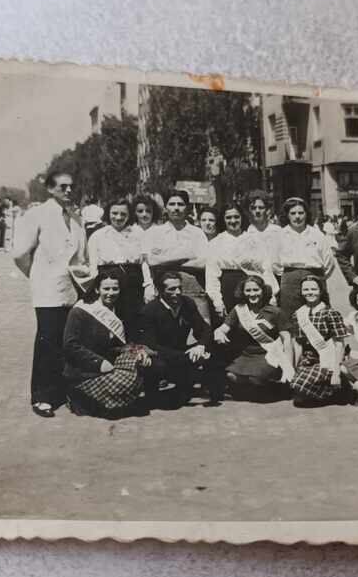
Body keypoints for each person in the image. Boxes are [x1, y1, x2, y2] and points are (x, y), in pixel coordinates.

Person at [12, 172, 89, 418]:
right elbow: (20, 254)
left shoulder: (77, 217)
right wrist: (37, 276)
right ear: (50, 188)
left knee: (69, 340)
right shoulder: (37, 215)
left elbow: (82, 255)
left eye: (71, 186)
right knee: (48, 340)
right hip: (47, 288)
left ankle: (64, 392)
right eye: (63, 187)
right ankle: (42, 397)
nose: (68, 191)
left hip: (74, 289)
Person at [62, 271, 155, 418]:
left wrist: (138, 351)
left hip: (109, 363)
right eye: (106, 289)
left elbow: (122, 344)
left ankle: (106, 401)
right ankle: (80, 397)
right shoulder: (80, 311)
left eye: (115, 289)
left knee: (142, 362)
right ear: (97, 289)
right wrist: (99, 362)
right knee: (123, 385)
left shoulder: (118, 310)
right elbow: (70, 346)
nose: (110, 293)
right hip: (84, 370)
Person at [138, 271, 224, 407]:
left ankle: (213, 391)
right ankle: (152, 395)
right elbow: (151, 345)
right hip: (161, 355)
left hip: (181, 352)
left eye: (179, 288)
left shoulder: (187, 303)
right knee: (156, 366)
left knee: (212, 346)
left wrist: (200, 346)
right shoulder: (149, 310)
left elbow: (204, 329)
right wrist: (186, 356)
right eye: (172, 289)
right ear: (160, 291)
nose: (177, 292)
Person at [212, 275, 287, 399]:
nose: (252, 294)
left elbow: (287, 338)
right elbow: (224, 328)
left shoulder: (275, 311)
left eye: (256, 290)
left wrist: (287, 362)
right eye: (248, 290)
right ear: (243, 292)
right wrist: (219, 332)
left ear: (263, 290)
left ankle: (271, 387)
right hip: (247, 354)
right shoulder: (239, 310)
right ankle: (258, 390)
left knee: (256, 379)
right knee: (231, 376)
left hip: (269, 354)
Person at [143, 191, 212, 323]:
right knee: (167, 327)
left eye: (180, 204)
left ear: (187, 207)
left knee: (202, 327)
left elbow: (203, 263)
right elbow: (151, 261)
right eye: (172, 204)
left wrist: (165, 260)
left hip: (193, 286)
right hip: (164, 287)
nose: (176, 208)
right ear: (165, 208)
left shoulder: (197, 233)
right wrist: (187, 256)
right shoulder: (154, 233)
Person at [281, 275, 347, 404]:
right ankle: (326, 390)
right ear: (301, 292)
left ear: (321, 291)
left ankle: (337, 388)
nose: (310, 292)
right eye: (306, 289)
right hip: (309, 358)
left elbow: (339, 344)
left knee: (301, 387)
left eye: (313, 289)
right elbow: (298, 344)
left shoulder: (330, 313)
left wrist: (336, 373)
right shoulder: (298, 314)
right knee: (295, 385)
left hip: (329, 357)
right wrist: (294, 368)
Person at [205, 204, 278, 319]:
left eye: (236, 217)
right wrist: (217, 301)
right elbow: (212, 276)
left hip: (252, 289)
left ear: (242, 218)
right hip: (227, 289)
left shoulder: (255, 240)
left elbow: (265, 269)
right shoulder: (216, 243)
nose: (233, 221)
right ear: (223, 219)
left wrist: (271, 294)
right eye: (228, 217)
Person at [86, 199, 146, 335]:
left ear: (129, 215)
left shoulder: (138, 234)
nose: (118, 217)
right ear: (108, 213)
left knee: (133, 323)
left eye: (123, 214)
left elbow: (145, 262)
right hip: (108, 283)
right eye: (114, 213)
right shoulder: (98, 236)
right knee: (110, 322)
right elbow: (93, 266)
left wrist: (148, 286)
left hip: (133, 284)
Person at [274, 197, 336, 320]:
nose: (297, 217)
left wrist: (318, 277)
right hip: (290, 282)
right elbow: (275, 263)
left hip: (315, 278)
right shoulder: (280, 235)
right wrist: (290, 276)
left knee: (319, 316)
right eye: (293, 213)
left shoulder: (317, 234)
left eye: (301, 213)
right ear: (287, 215)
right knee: (290, 318)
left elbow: (329, 262)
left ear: (306, 214)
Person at [242, 191, 282, 300]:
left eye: (261, 207)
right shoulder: (245, 234)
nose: (257, 211)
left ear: (268, 210)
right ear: (248, 211)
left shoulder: (278, 232)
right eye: (253, 208)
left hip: (279, 280)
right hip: (256, 284)